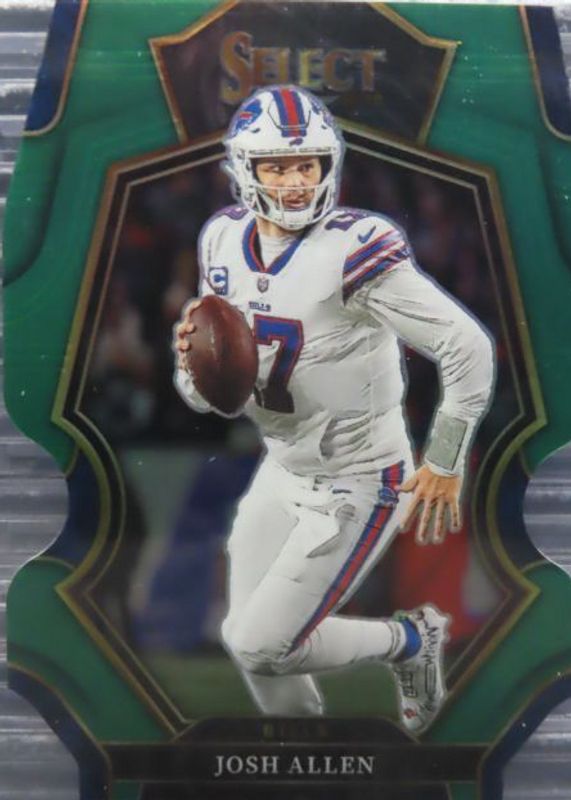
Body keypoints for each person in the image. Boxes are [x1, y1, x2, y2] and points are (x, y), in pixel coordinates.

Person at [173, 85, 495, 733]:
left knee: (259, 644)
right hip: (283, 466)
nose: (295, 182)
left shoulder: (355, 248)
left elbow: (466, 346)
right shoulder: (221, 240)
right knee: (250, 645)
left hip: (360, 477)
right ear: (244, 169)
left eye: (307, 164)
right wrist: (193, 368)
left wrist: (444, 459)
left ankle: (412, 640)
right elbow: (213, 394)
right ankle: (301, 757)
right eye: (277, 167)